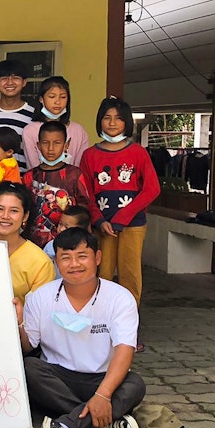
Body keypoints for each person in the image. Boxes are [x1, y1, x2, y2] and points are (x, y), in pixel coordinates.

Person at [18, 228, 146, 428]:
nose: (74, 264)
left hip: (102, 378)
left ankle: (67, 426)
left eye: (82, 256)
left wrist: (104, 395)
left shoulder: (119, 297)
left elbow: (125, 349)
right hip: (59, 378)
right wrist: (19, 322)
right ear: (56, 262)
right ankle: (106, 421)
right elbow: (29, 345)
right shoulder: (41, 297)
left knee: (135, 384)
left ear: (97, 258)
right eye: (65, 258)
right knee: (29, 368)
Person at [80, 96, 160, 314]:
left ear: (127, 122)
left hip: (132, 225)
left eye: (118, 118)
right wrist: (99, 220)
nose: (112, 123)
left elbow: (152, 189)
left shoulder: (138, 153)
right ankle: (101, 326)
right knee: (101, 274)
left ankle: (129, 329)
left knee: (130, 275)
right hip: (102, 227)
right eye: (107, 117)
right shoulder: (90, 155)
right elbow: (85, 194)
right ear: (100, 121)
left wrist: (122, 218)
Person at [22, 121, 91, 248]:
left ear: (66, 145)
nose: (51, 148)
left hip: (68, 244)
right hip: (34, 245)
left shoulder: (75, 175)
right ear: (38, 145)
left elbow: (84, 208)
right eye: (45, 143)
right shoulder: (29, 176)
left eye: (57, 143)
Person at [0, 182, 56, 304]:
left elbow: (40, 310)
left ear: (25, 216)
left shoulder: (40, 262)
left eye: (14, 211)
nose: (5, 216)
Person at [22, 76, 89, 170]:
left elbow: (80, 167)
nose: (57, 102)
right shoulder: (30, 131)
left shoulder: (79, 131)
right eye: (52, 96)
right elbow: (34, 168)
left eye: (63, 97)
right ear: (41, 99)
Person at [43, 205, 92, 278]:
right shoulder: (50, 246)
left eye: (66, 227)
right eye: (60, 224)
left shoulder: (88, 247)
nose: (61, 229)